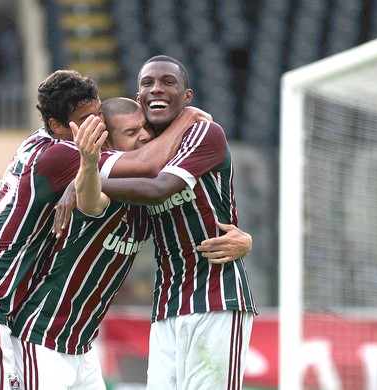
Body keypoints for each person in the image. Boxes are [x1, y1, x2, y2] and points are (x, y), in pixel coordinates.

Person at [0, 70, 203, 389]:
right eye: (85, 119)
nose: (97, 126)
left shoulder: (40, 143)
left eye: (98, 115)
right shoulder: (64, 154)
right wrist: (187, 119)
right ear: (56, 125)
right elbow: (148, 166)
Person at [10, 97, 253, 389]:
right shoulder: (96, 180)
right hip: (41, 335)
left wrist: (243, 239)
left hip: (81, 345)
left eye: (145, 129)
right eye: (130, 133)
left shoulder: (140, 193)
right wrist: (80, 183)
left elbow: (171, 199)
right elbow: (95, 198)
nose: (145, 137)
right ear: (107, 146)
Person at [96, 56, 258, 389]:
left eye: (168, 82)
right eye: (147, 83)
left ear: (187, 97)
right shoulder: (131, 146)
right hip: (167, 303)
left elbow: (159, 189)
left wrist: (85, 184)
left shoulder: (203, 132)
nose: (156, 88)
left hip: (216, 298)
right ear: (139, 97)